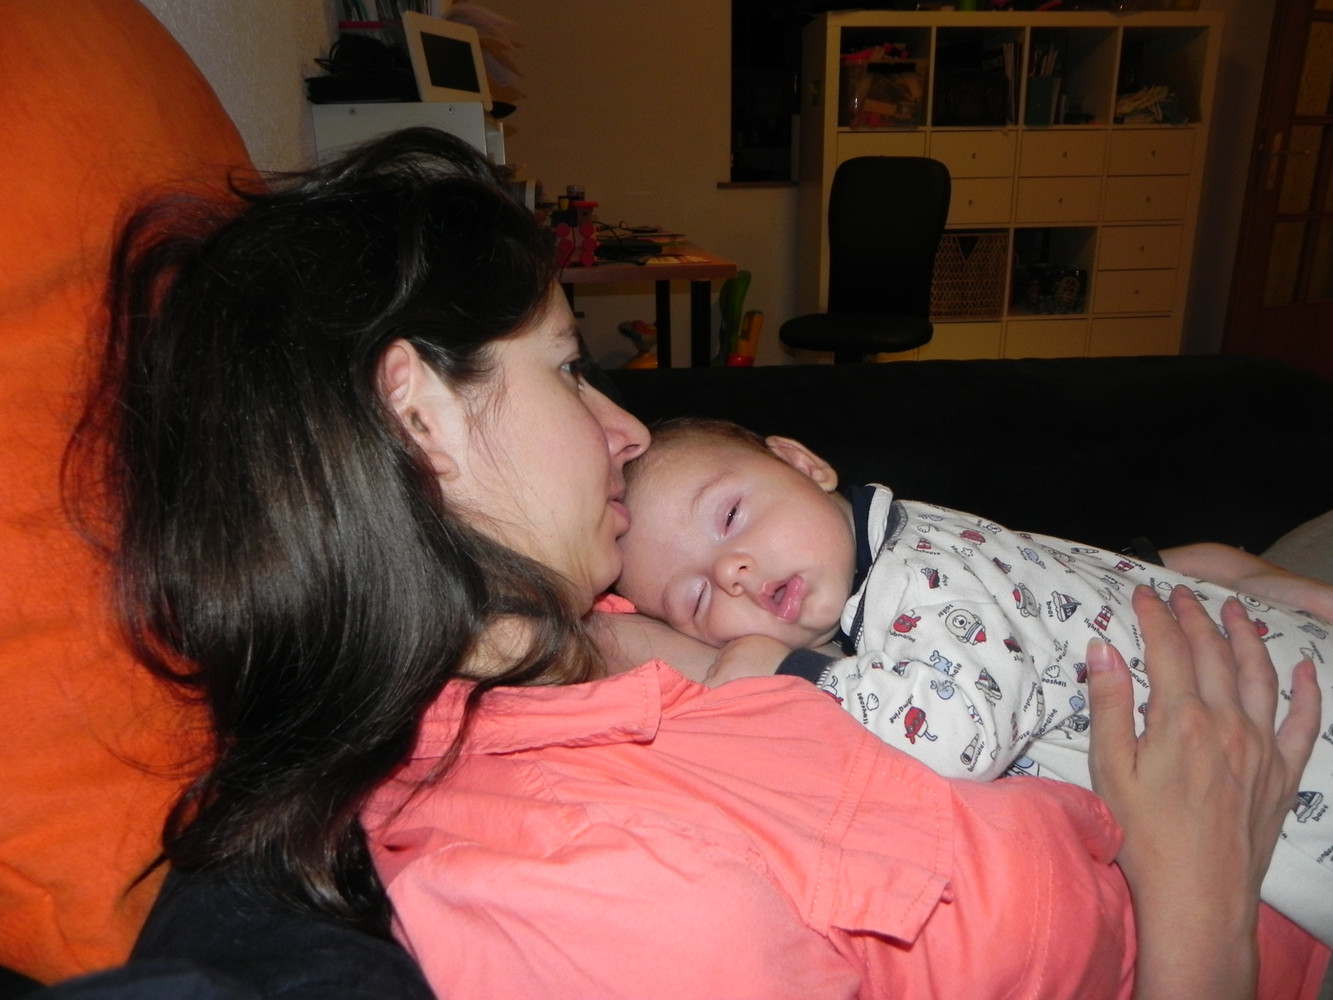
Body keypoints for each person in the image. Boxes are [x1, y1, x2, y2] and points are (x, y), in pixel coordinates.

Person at [71, 128, 1325, 999]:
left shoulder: (567, 614)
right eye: (568, 369)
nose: (624, 431)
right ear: (424, 419)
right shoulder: (593, 887)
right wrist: (1200, 906)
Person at [611, 415, 1333, 945]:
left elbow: (953, 739)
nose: (732, 570)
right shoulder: (913, 529)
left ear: (802, 463)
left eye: (731, 515)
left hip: (1290, 748)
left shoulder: (912, 582)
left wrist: (783, 671)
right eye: (696, 598)